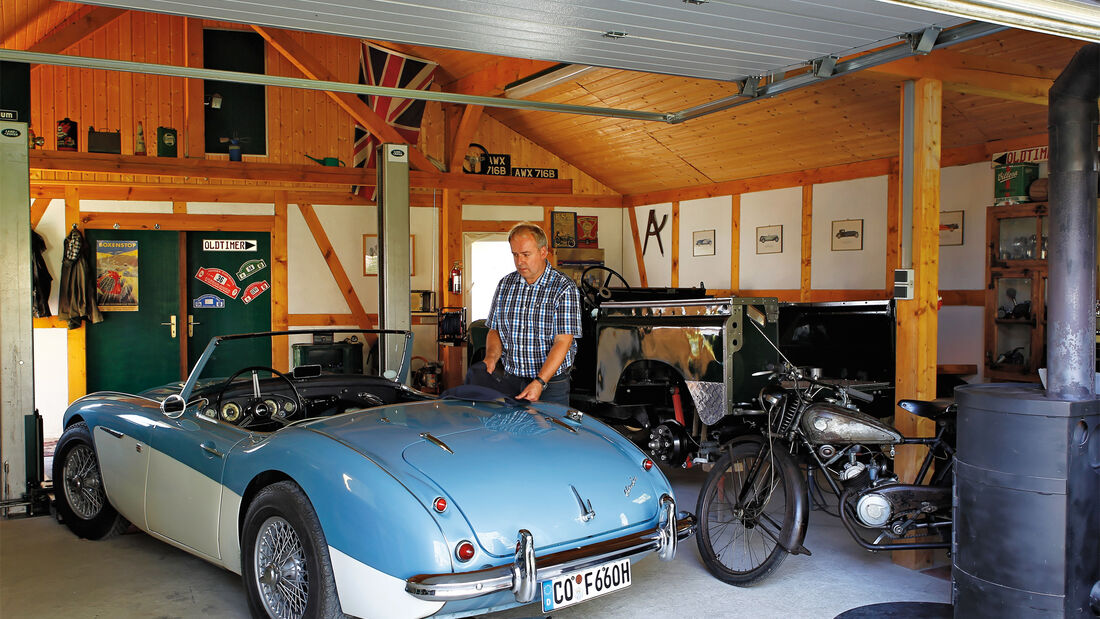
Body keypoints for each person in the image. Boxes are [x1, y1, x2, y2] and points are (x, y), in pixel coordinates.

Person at [467, 223, 581, 405]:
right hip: (512, 380)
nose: (520, 261)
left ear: (543, 252)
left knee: (550, 432)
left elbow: (563, 341)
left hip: (551, 384)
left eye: (526, 254)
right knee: (513, 431)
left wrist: (540, 381)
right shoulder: (505, 285)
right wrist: (491, 358)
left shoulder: (564, 288)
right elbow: (495, 330)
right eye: (515, 254)